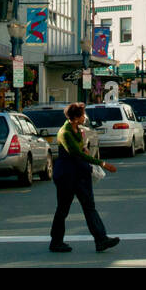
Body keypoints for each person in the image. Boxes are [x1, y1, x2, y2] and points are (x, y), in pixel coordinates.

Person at [50, 102, 120, 253]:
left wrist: (85, 148)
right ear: (75, 118)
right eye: (82, 115)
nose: (84, 117)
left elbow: (81, 149)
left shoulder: (77, 129)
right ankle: (56, 241)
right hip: (66, 175)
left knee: (89, 207)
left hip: (81, 174)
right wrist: (102, 163)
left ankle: (101, 239)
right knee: (63, 209)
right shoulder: (65, 133)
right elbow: (76, 154)